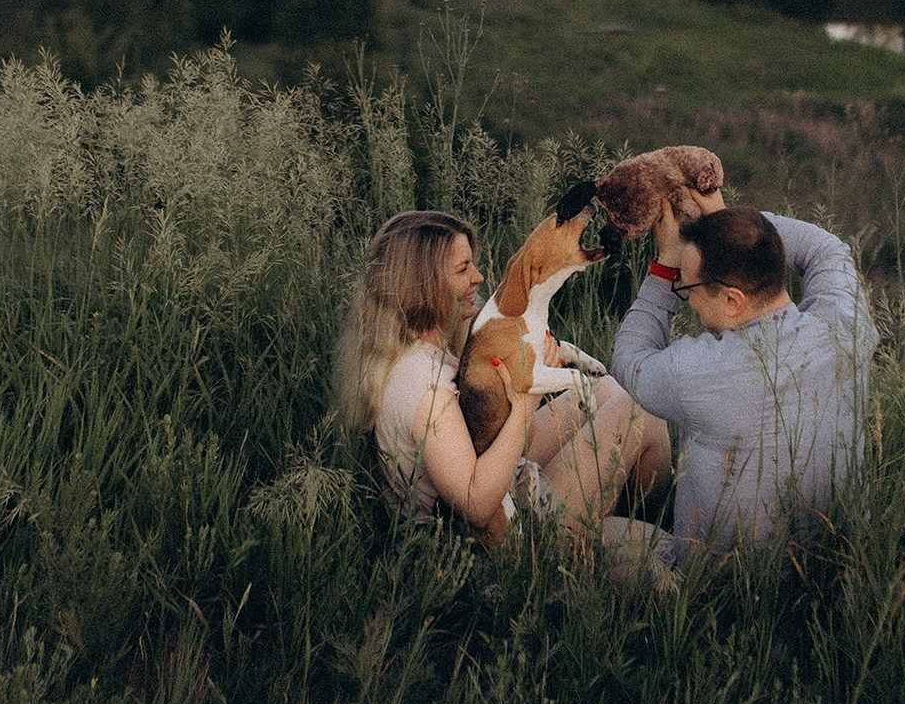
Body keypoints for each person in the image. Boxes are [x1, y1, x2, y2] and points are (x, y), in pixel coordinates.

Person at [337, 209, 674, 567]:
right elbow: (478, 506)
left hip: (504, 481)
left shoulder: (417, 351)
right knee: (636, 411)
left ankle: (617, 509)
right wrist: (527, 395)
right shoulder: (425, 384)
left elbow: (485, 433)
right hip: (493, 543)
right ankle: (638, 518)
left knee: (606, 390)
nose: (479, 278)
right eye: (462, 269)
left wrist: (532, 371)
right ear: (424, 285)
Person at [611, 194, 876, 562]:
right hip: (834, 568)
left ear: (733, 301)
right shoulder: (848, 328)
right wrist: (733, 223)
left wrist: (665, 268)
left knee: (593, 532)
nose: (687, 298)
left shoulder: (699, 372)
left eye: (687, 288)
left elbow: (628, 361)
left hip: (713, 587)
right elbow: (826, 248)